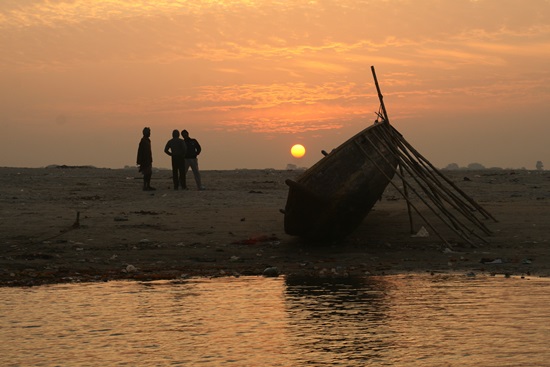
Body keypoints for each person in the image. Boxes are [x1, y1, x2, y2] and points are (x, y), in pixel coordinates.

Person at [136, 127, 156, 191]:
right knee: (146, 174)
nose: (150, 133)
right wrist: (139, 161)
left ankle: (148, 185)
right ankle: (145, 186)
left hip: (148, 159)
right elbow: (140, 151)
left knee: (149, 173)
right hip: (145, 160)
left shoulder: (147, 140)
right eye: (149, 132)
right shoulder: (143, 141)